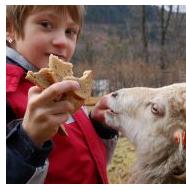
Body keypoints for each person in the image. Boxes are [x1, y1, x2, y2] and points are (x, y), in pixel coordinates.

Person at [6, 5, 118, 184]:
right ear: (10, 28)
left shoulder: (66, 87)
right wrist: (28, 141)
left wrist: (100, 127)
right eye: (46, 24)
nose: (62, 41)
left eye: (70, 31)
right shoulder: (7, 94)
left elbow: (86, 165)